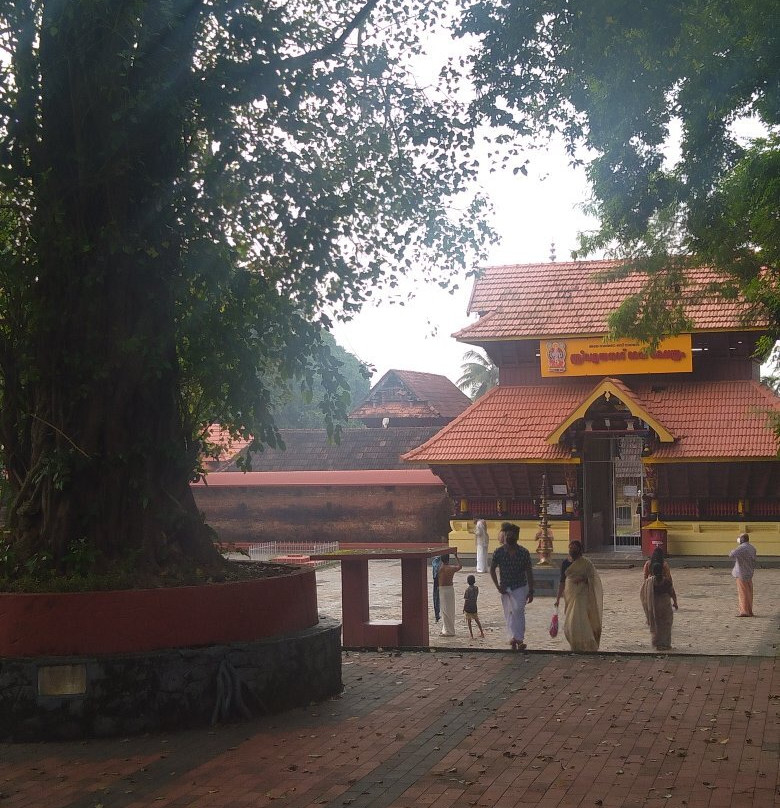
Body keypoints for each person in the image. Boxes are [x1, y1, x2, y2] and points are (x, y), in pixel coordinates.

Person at [490, 522, 534, 650]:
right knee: (509, 613)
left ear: (517, 536)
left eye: (512, 534)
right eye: (508, 534)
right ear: (505, 536)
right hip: (505, 586)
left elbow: (529, 571)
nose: (510, 536)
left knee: (519, 611)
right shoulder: (498, 552)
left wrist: (531, 590)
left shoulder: (524, 552)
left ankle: (519, 639)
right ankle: (512, 638)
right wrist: (497, 586)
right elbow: (492, 569)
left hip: (520, 585)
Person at [554, 540, 603, 652]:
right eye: (570, 548)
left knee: (580, 618)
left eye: (575, 548)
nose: (572, 550)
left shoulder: (586, 563)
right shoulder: (565, 563)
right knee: (570, 621)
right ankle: (574, 643)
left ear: (580, 550)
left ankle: (587, 642)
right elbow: (562, 581)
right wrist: (557, 599)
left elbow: (593, 578)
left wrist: (582, 579)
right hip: (570, 594)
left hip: (582, 595)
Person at [640, 561, 679, 650]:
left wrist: (647, 604)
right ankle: (665, 644)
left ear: (652, 571)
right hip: (665, 604)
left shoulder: (649, 582)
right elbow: (672, 592)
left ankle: (657, 643)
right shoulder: (666, 581)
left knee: (657, 624)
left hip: (654, 605)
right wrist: (675, 602)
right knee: (666, 624)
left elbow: (643, 594)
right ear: (662, 571)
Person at [729, 532, 757, 617]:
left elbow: (731, 554)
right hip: (749, 571)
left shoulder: (741, 548)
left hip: (741, 572)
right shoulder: (752, 548)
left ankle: (744, 611)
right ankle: (749, 610)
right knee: (748, 593)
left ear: (741, 540)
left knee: (742, 593)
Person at [437, 552, 462, 636]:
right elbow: (460, 566)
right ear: (448, 559)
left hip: (442, 590)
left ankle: (447, 630)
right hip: (450, 589)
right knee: (450, 610)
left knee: (444, 610)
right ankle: (448, 629)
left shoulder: (440, 569)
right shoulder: (451, 568)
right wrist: (456, 556)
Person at [463, 574, 485, 639]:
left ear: (467, 582)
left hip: (468, 607)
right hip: (474, 606)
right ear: (474, 581)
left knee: (469, 621)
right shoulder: (476, 588)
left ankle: (471, 635)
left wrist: (464, 608)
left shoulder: (467, 590)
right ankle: (482, 632)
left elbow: (466, 600)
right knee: (477, 620)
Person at [431, 556, 442, 622]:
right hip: (439, 582)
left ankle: (437, 614)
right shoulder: (440, 563)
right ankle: (437, 615)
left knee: (436, 599)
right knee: (437, 599)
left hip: (436, 581)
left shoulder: (434, 562)